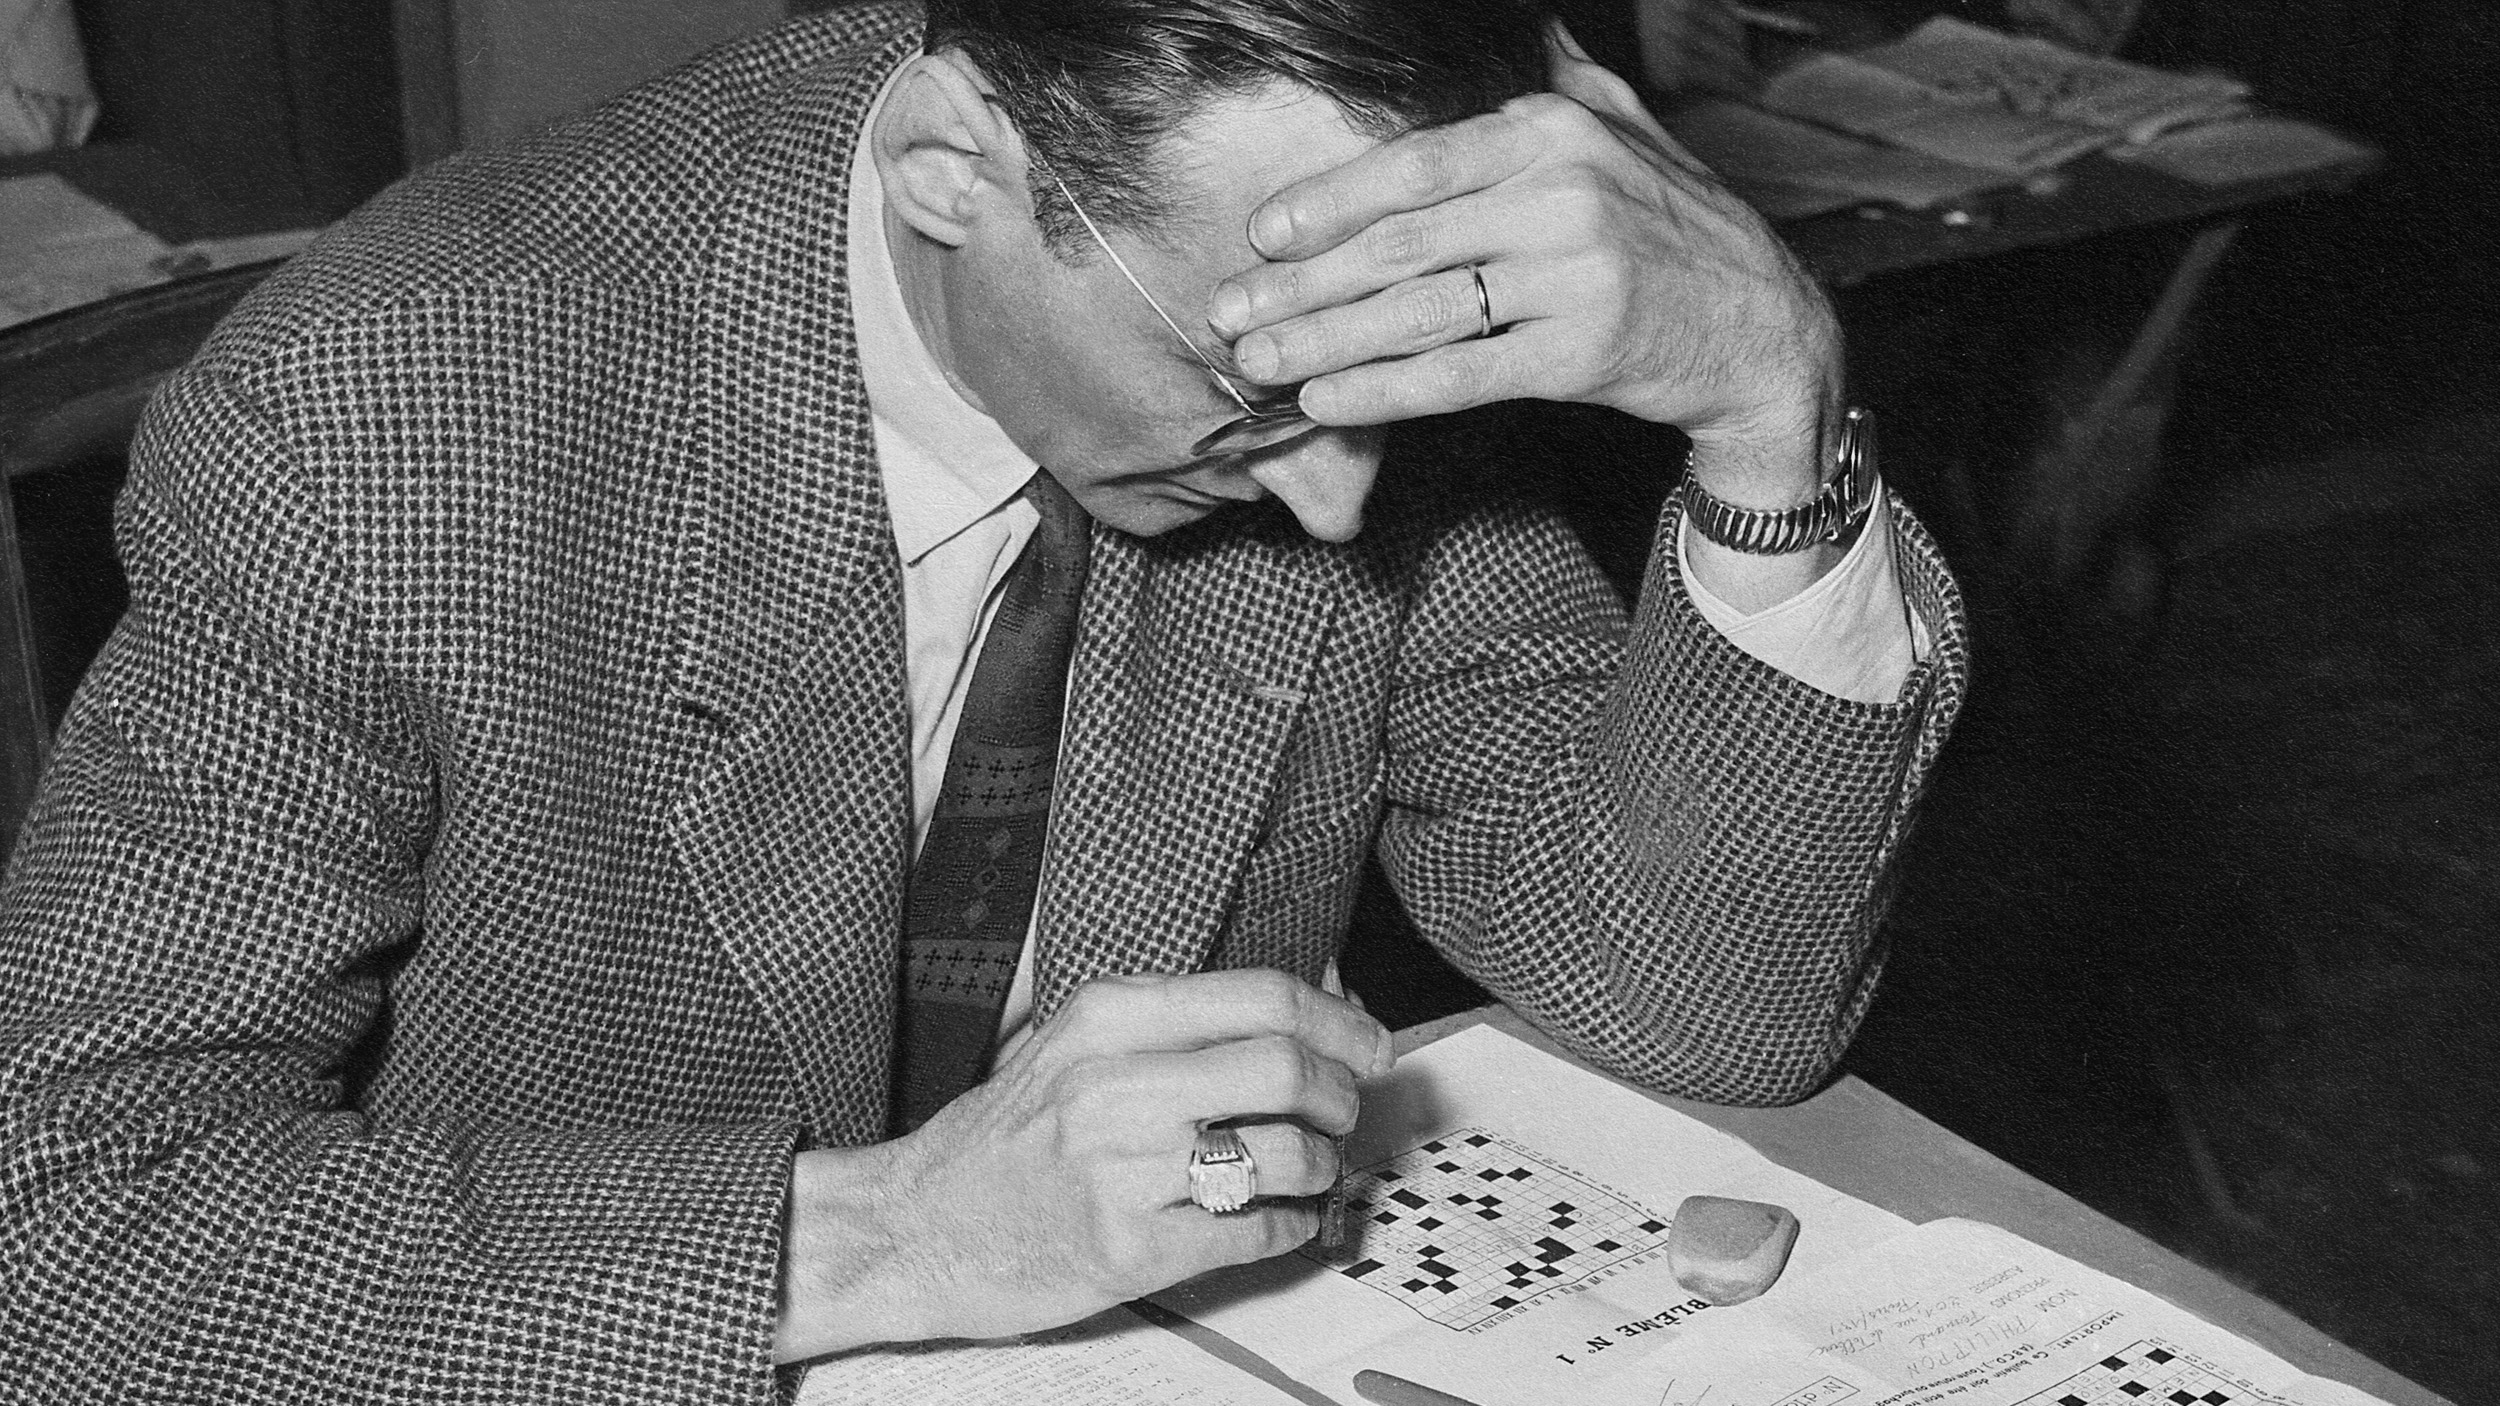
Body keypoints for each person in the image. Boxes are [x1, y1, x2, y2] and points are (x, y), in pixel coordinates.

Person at [0, 0, 1965, 1395]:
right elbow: (65, 1229)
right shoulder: (382, 415)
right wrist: (892, 1235)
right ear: (955, 168)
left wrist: (1763, 404)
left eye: (1392, 392)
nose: (1341, 492)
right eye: (1256, 385)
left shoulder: (1338, 318)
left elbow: (1707, 1003)